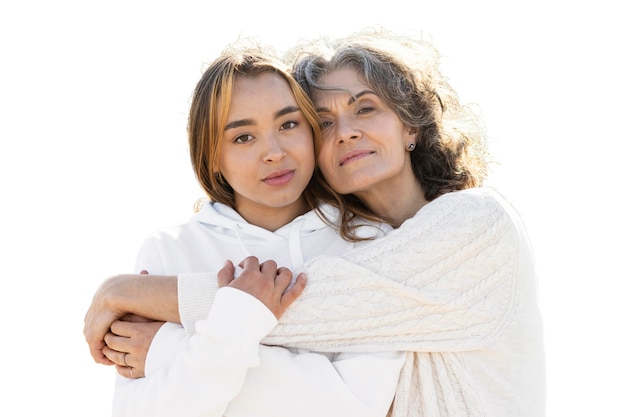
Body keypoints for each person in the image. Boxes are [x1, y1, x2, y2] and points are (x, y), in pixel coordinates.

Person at [85, 27, 545, 417]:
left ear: (411, 126)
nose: (345, 131)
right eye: (323, 122)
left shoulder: (473, 223)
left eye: (365, 108)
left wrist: (153, 326)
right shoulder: (172, 250)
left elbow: (314, 314)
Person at [84, 40, 406, 417]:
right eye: (243, 137)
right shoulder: (169, 251)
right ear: (212, 157)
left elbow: (357, 407)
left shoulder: (370, 243)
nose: (274, 151)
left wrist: (166, 350)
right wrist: (237, 326)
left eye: (288, 124)